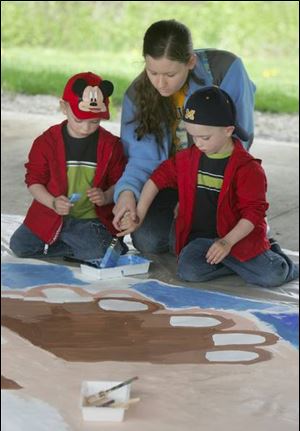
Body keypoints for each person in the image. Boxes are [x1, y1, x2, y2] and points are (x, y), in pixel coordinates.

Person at [117, 87, 298, 288]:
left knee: (271, 276)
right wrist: (139, 213)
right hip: (201, 240)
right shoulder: (188, 158)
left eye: (205, 137)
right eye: (193, 136)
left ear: (228, 130)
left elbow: (253, 214)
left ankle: (273, 256)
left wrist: (227, 243)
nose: (198, 143)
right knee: (188, 270)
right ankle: (237, 266)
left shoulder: (248, 168)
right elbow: (157, 179)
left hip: (238, 240)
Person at [113, 19, 256, 254]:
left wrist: (194, 193)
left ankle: (236, 229)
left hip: (216, 177)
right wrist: (128, 193)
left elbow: (239, 139)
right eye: (152, 72)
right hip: (169, 182)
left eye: (170, 74)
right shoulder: (137, 94)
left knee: (204, 237)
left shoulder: (226, 69)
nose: (160, 83)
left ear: (190, 61)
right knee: (148, 240)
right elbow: (142, 160)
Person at [10, 72, 128, 261]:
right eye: (79, 120)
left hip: (89, 220)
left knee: (99, 253)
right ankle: (72, 243)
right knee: (20, 246)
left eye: (94, 122)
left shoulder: (111, 145)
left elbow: (121, 181)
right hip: (50, 214)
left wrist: (106, 196)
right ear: (64, 107)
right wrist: (53, 203)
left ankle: (77, 243)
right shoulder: (46, 142)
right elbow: (34, 182)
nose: (85, 128)